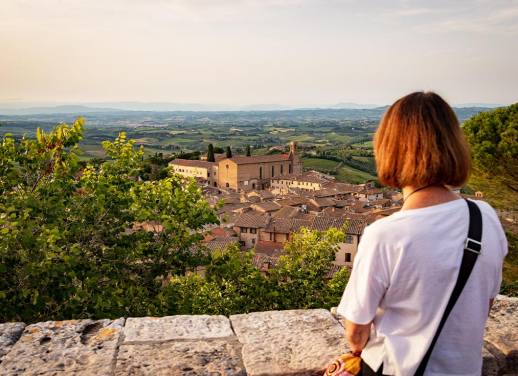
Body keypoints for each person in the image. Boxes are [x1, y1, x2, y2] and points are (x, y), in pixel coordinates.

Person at [336, 92, 507, 375]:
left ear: (388, 149)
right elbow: (482, 304)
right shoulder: (486, 216)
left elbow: (355, 332)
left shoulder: (386, 234)